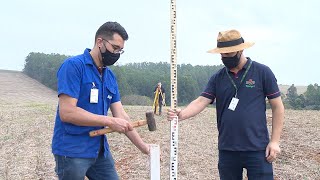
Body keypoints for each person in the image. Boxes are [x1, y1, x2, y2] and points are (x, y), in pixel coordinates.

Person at [167, 29, 284, 179]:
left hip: (257, 149)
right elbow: (202, 100)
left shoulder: (262, 72)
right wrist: (181, 114)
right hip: (228, 149)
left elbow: (277, 107)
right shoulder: (218, 77)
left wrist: (274, 142)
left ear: (240, 50)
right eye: (221, 54)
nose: (224, 57)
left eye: (228, 54)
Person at [52, 21, 150, 180]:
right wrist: (109, 121)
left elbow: (121, 117)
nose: (117, 54)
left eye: (120, 50)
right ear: (100, 42)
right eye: (115, 48)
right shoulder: (73, 66)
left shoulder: (109, 76)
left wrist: (144, 148)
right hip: (72, 151)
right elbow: (67, 112)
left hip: (99, 152)